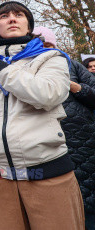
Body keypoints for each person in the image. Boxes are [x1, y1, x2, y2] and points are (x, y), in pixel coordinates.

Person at [0, 1, 85, 229]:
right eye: (4, 16)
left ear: (29, 25)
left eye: (19, 14)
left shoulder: (50, 58)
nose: (12, 18)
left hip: (47, 172)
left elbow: (47, 95)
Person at [34, 26, 95, 229]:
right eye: (39, 45)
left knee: (87, 201)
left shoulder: (72, 65)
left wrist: (75, 87)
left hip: (82, 145)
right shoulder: (22, 70)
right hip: (44, 146)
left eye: (49, 45)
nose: (44, 50)